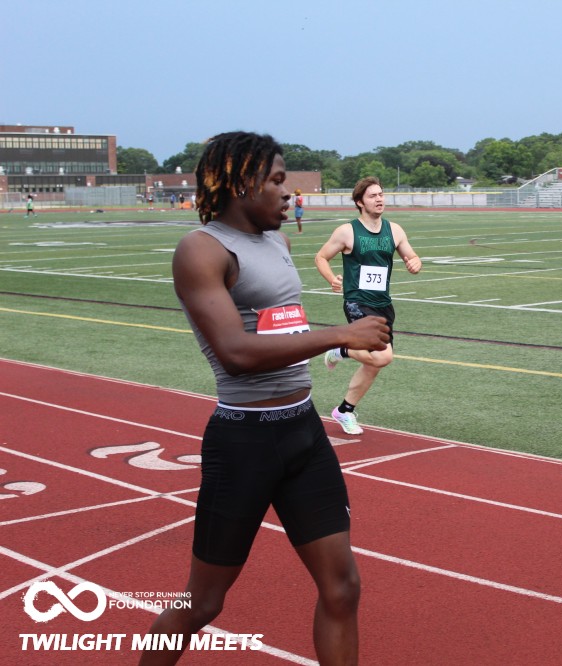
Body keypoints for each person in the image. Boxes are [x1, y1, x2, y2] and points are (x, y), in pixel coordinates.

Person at [139, 132, 389, 665]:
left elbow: (281, 328)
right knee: (204, 601)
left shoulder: (278, 242)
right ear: (240, 184)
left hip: (303, 432)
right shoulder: (202, 249)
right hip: (245, 443)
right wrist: (341, 335)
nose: (288, 192)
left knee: (343, 586)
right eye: (276, 180)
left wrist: (336, 338)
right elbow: (235, 353)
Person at [314, 176, 422, 435]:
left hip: (383, 304)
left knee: (374, 363)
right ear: (360, 202)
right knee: (384, 356)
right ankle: (341, 350)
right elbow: (321, 257)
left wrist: (415, 263)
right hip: (357, 302)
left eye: (381, 194)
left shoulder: (394, 230)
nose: (379, 199)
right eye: (373, 196)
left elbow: (412, 256)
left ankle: (345, 410)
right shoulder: (347, 231)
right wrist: (331, 279)